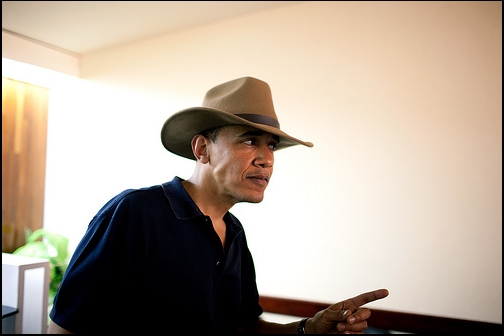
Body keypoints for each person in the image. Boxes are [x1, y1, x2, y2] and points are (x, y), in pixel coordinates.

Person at [47, 76, 389, 334]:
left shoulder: (234, 231)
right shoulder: (135, 213)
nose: (266, 159)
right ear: (202, 149)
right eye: (249, 140)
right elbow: (65, 327)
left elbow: (244, 327)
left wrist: (307, 328)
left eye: (271, 145)